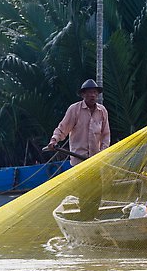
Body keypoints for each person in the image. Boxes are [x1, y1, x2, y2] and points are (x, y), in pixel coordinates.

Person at [46, 78, 110, 219]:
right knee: (84, 192)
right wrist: (54, 140)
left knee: (96, 192)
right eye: (89, 93)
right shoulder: (74, 110)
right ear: (83, 95)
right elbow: (63, 128)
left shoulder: (102, 111)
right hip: (79, 160)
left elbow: (106, 135)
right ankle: (85, 218)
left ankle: (92, 218)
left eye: (94, 93)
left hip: (95, 160)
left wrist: (102, 153)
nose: (92, 95)